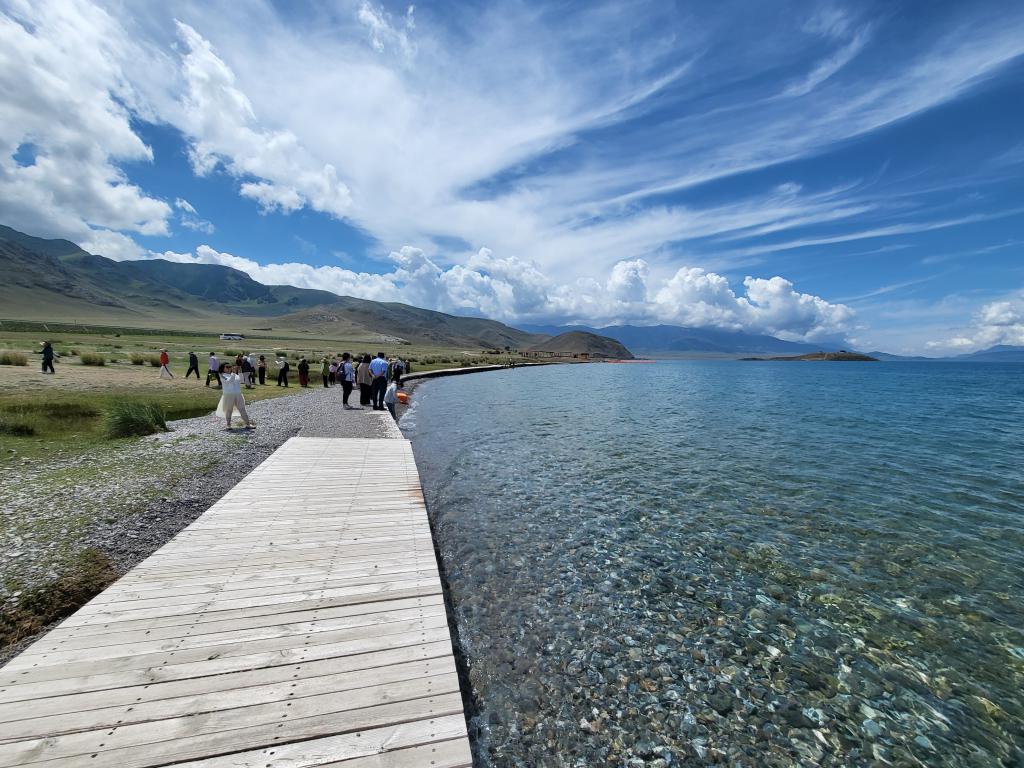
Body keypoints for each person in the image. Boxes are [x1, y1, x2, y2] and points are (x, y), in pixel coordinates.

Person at [216, 363, 254, 430]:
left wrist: (238, 372)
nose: (229, 368)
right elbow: (229, 381)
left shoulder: (235, 375)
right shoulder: (222, 375)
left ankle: (248, 424)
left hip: (238, 394)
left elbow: (241, 380)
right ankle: (228, 425)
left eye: (230, 367)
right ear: (223, 368)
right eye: (227, 367)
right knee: (229, 410)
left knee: (242, 409)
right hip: (229, 395)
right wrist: (233, 373)